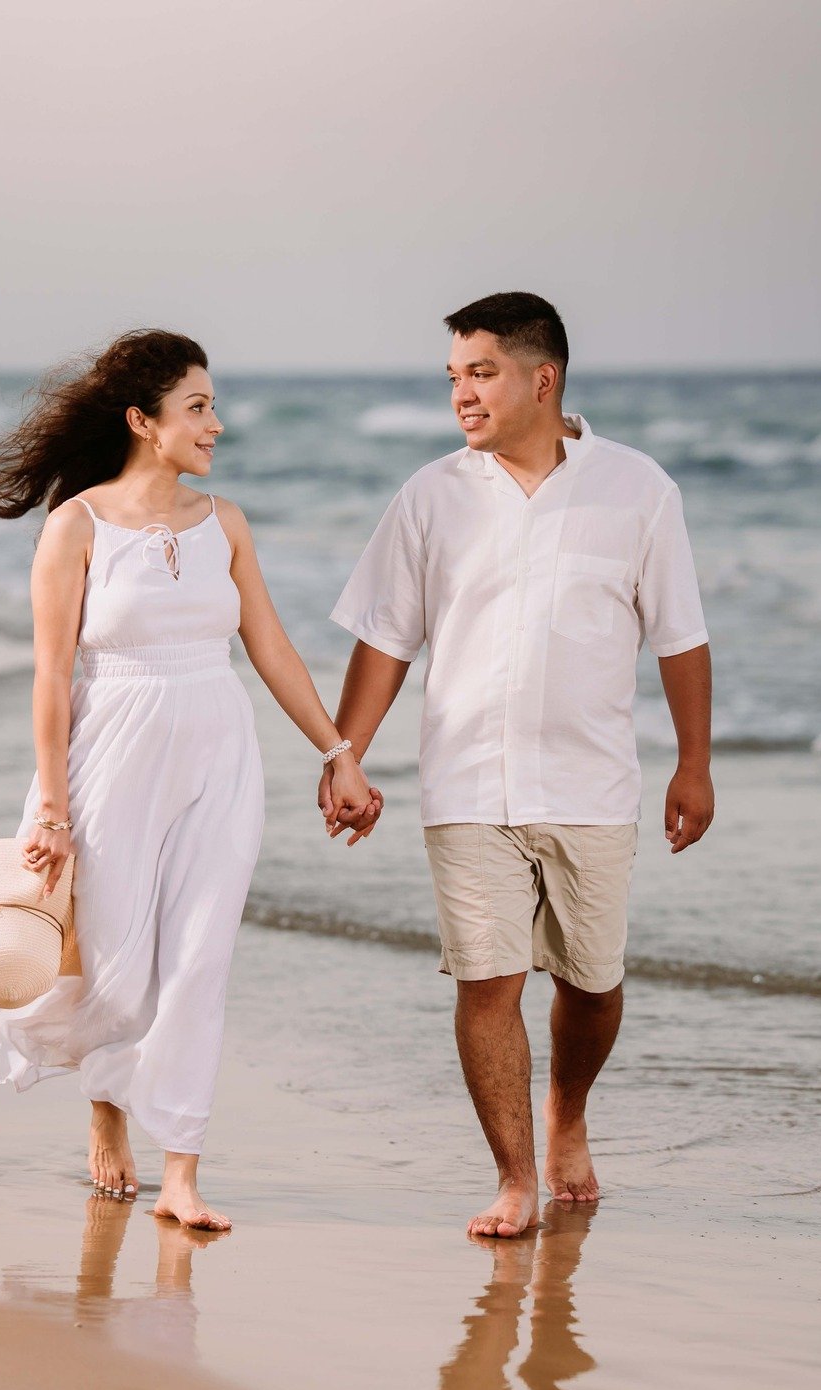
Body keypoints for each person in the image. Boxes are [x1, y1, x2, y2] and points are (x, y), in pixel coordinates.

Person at [0, 330, 380, 1231]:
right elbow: (52, 675)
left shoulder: (226, 524)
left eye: (213, 404)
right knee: (119, 970)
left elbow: (271, 648)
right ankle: (104, 1107)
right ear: (143, 421)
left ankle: (183, 1172)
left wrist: (338, 751)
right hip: (112, 754)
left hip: (219, 750)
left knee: (199, 960)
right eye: (198, 406)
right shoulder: (76, 526)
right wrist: (50, 807)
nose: (216, 423)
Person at [321, 293, 713, 1238]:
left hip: (592, 781)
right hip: (465, 780)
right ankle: (513, 1179)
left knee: (592, 979)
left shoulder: (638, 490)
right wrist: (346, 755)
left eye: (481, 372)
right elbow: (385, 641)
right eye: (454, 375)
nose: (462, 393)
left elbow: (681, 639)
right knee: (486, 980)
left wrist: (693, 764)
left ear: (545, 379)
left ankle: (567, 1114)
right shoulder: (431, 496)